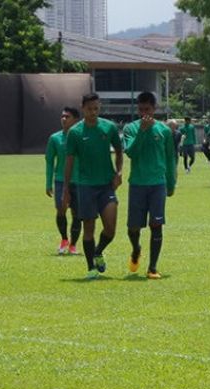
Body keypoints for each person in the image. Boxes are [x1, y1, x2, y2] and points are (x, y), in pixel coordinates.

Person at [62, 93, 124, 280]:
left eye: (96, 109)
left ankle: (98, 252)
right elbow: (69, 162)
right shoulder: (75, 132)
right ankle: (91, 268)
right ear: (83, 108)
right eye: (90, 109)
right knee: (89, 228)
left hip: (106, 185)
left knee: (111, 228)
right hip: (85, 186)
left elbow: (120, 151)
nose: (93, 112)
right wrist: (66, 189)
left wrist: (119, 172)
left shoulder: (109, 127)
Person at [122, 92, 177, 279]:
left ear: (154, 109)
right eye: (141, 109)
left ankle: (152, 267)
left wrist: (171, 182)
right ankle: (136, 248)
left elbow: (170, 159)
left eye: (148, 109)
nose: (144, 113)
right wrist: (142, 132)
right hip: (137, 183)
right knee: (133, 228)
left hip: (157, 184)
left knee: (156, 224)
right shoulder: (130, 129)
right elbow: (131, 152)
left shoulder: (164, 131)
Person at [45, 107, 82, 256]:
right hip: (61, 180)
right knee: (61, 210)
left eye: (67, 117)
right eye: (62, 116)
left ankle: (73, 245)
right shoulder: (55, 138)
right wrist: (48, 183)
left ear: (75, 120)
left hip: (79, 181)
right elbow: (49, 161)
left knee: (77, 214)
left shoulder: (81, 137)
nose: (64, 119)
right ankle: (64, 239)